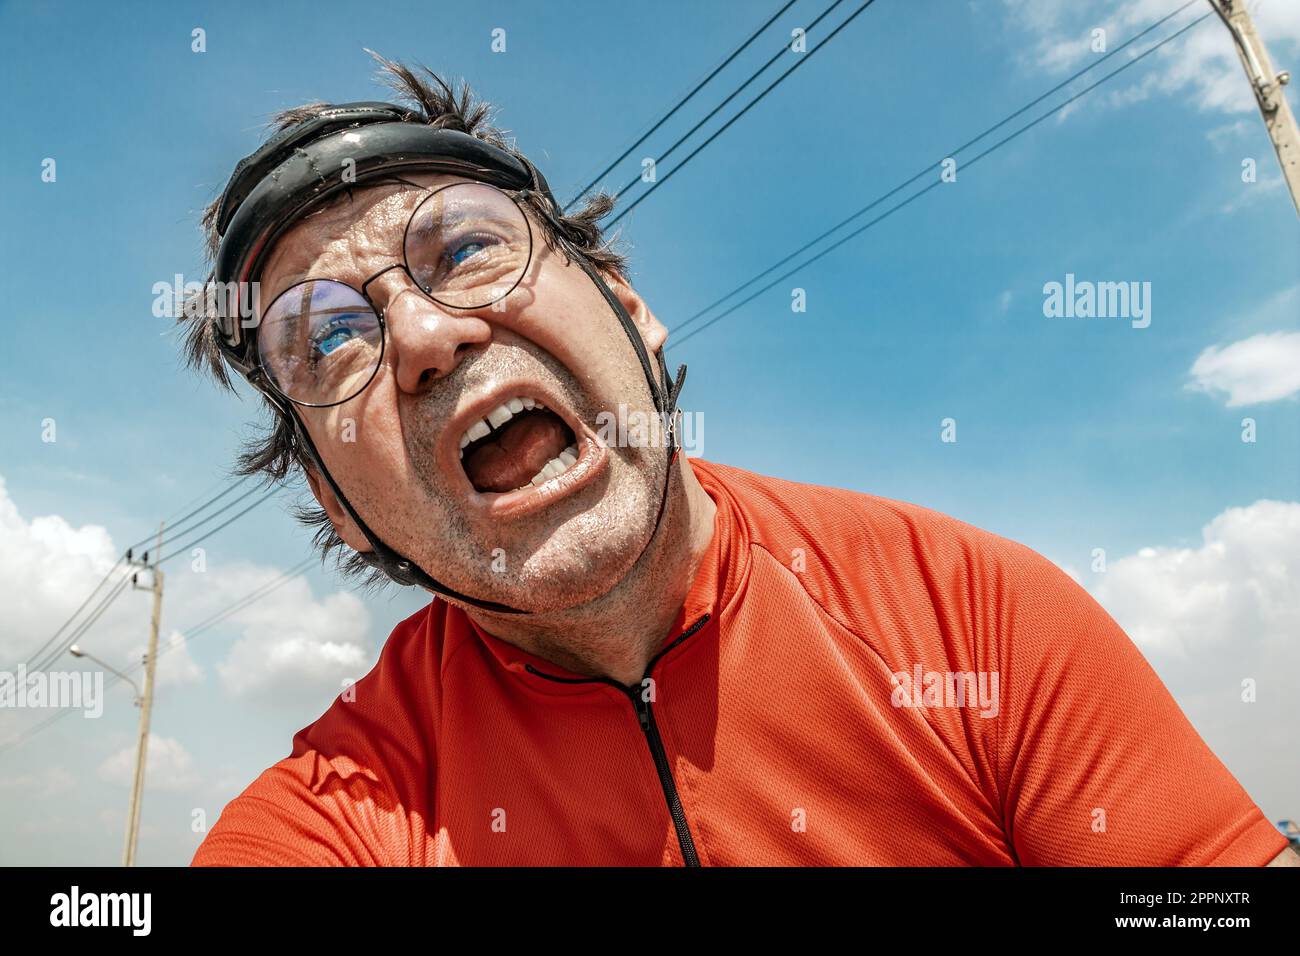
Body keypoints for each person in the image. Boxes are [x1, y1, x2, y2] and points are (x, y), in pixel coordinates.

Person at [182, 57, 1294, 866]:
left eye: (467, 246)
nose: (426, 338)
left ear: (630, 308)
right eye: (325, 337)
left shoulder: (976, 623)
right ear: (334, 500)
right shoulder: (352, 804)